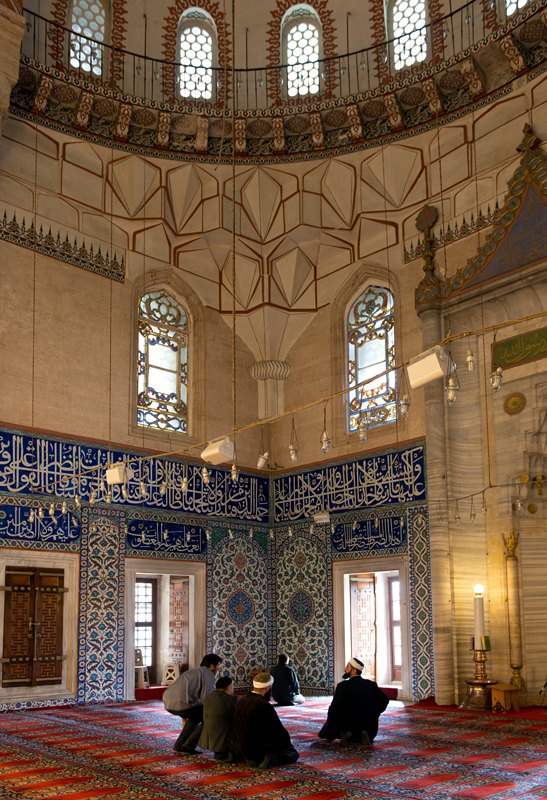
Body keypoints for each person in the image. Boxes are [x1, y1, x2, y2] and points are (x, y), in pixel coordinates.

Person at [318, 656, 389, 745]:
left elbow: (334, 708)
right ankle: (363, 733)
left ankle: (345, 734)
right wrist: (375, 713)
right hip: (369, 725)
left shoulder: (342, 686)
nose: (345, 669)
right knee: (364, 725)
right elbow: (385, 700)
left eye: (347, 667)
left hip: (348, 724)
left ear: (354, 671)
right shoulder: (371, 684)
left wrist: (329, 722)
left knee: (333, 718)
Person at [235, 672, 299, 769]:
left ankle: (242, 756)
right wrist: (288, 743)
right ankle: (269, 759)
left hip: (243, 747)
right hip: (260, 748)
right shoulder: (263, 705)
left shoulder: (241, 701)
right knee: (292, 754)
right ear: (267, 688)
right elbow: (278, 730)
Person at [163, 653, 222, 753]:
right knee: (208, 716)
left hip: (168, 701)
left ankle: (181, 744)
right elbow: (206, 699)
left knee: (196, 715)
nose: (218, 669)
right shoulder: (208, 673)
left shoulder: (195, 671)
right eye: (217, 666)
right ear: (211, 666)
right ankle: (188, 744)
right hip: (180, 703)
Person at [198, 675, 240, 762]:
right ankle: (233, 752)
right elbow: (239, 716)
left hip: (209, 739)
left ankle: (220, 753)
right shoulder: (231, 699)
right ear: (229, 688)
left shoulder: (208, 697)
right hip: (224, 737)